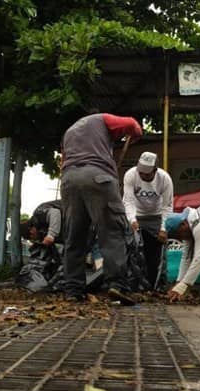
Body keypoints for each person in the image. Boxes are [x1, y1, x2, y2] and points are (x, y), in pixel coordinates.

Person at [60, 113, 143, 304]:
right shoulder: (102, 119)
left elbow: (64, 159)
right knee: (112, 233)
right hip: (98, 177)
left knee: (74, 237)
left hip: (70, 180)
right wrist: (136, 133)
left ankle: (74, 290)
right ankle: (116, 285)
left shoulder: (69, 131)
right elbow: (132, 125)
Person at [122, 151, 173, 288]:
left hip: (156, 216)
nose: (143, 176)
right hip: (136, 215)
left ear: (155, 170)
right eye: (141, 173)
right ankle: (133, 284)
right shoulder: (131, 175)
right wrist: (132, 219)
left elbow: (167, 206)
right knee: (133, 250)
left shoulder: (164, 179)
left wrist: (163, 228)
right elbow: (128, 201)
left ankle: (158, 285)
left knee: (158, 252)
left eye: (147, 174)